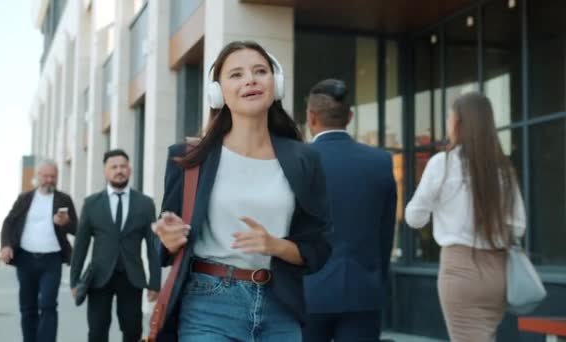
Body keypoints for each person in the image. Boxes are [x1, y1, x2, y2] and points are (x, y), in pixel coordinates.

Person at [151, 40, 332, 341]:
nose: (250, 79)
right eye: (236, 74)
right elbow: (164, 247)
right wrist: (169, 239)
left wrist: (275, 245)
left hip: (280, 305)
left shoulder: (305, 159)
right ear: (218, 93)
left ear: (276, 85)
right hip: (208, 303)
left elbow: (319, 247)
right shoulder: (189, 157)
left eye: (260, 71)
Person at [405, 92, 526, 342]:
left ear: (458, 122)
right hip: (497, 271)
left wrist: (441, 209)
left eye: (450, 117)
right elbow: (518, 226)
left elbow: (414, 217)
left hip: (460, 271)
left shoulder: (443, 163)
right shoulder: (503, 169)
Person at [302, 79, 397, 342]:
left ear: (311, 117)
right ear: (350, 117)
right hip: (363, 292)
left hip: (308, 294)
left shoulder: (298, 161)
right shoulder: (380, 161)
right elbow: (385, 234)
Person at [70, 149, 161, 342]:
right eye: (114, 167)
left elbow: (153, 245)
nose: (119, 170)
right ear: (105, 171)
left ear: (130, 170)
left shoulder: (145, 204)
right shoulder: (91, 203)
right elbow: (81, 245)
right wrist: (74, 280)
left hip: (132, 277)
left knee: (132, 330)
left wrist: (155, 282)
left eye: (123, 166)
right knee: (97, 331)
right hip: (99, 277)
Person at [0, 159, 78, 342]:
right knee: (28, 307)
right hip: (25, 259)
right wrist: (6, 245)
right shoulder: (25, 198)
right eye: (46, 176)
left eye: (53, 176)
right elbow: (8, 222)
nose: (49, 180)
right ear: (38, 176)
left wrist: (66, 223)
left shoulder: (63, 199)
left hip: (52, 260)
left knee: (48, 304)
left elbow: (77, 229)